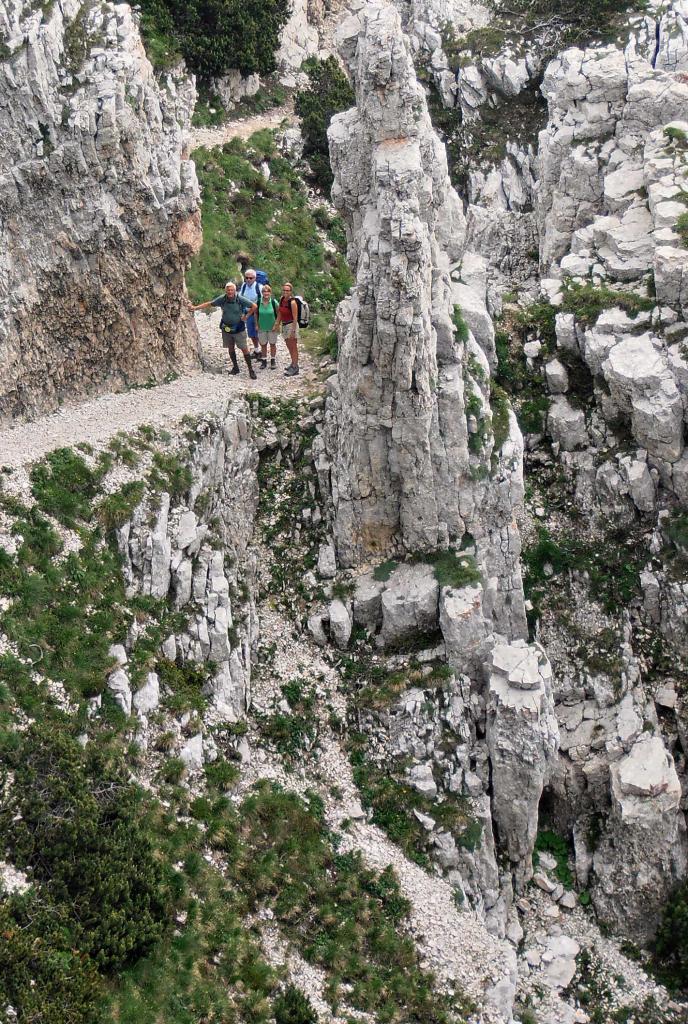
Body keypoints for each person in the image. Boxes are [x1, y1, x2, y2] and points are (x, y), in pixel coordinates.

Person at [188, 282, 257, 379]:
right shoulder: (222, 299)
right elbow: (210, 303)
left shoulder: (240, 299)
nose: (230, 292)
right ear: (226, 291)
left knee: (244, 348)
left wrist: (247, 316)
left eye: (232, 290)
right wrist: (195, 308)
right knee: (231, 348)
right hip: (226, 328)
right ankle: (235, 367)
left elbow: (254, 306)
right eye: (228, 290)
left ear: (234, 290)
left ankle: (251, 370)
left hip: (239, 328)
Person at [238, 268, 263, 364]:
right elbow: (240, 297)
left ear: (255, 278)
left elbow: (264, 299)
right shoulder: (244, 286)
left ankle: (263, 352)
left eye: (250, 278)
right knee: (252, 333)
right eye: (246, 278)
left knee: (260, 333)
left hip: (258, 313)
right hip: (248, 313)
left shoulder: (259, 288)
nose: (248, 280)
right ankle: (257, 350)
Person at [276, 282, 300, 377]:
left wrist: (293, 331)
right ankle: (293, 363)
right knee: (289, 346)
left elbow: (295, 318)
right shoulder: (282, 300)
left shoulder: (293, 303)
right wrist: (277, 323)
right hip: (285, 325)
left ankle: (295, 367)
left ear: (291, 292)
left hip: (291, 325)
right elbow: (280, 313)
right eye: (284, 290)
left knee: (293, 346)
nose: (285, 292)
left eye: (287, 290)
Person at [255, 283, 280, 370]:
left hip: (272, 327)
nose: (266, 293)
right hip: (262, 327)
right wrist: (256, 324)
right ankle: (264, 360)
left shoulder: (274, 302)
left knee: (272, 344)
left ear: (270, 293)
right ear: (262, 293)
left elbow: (279, 313)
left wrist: (276, 324)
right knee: (263, 344)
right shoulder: (258, 302)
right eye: (264, 292)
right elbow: (256, 313)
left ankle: (273, 360)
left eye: (268, 292)